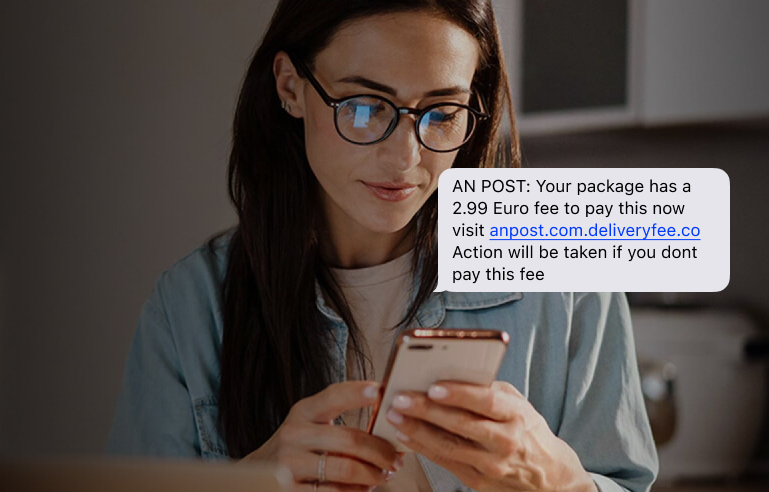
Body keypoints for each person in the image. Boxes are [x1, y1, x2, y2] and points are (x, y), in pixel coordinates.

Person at [105, 1, 657, 491]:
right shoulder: (190, 307)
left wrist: (559, 484)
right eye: (366, 108)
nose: (404, 159)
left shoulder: (561, 270)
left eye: (441, 114)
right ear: (290, 87)